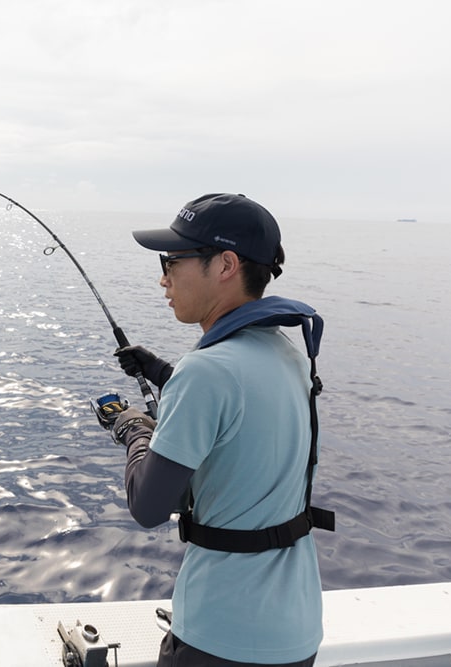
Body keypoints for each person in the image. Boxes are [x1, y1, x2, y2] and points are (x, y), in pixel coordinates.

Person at [108, 193, 332, 667]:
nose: (163, 277)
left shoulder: (207, 372)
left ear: (226, 264)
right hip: (296, 628)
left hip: (221, 636)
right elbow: (241, 414)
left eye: (173, 261)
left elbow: (149, 506)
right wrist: (163, 372)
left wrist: (134, 432)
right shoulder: (289, 353)